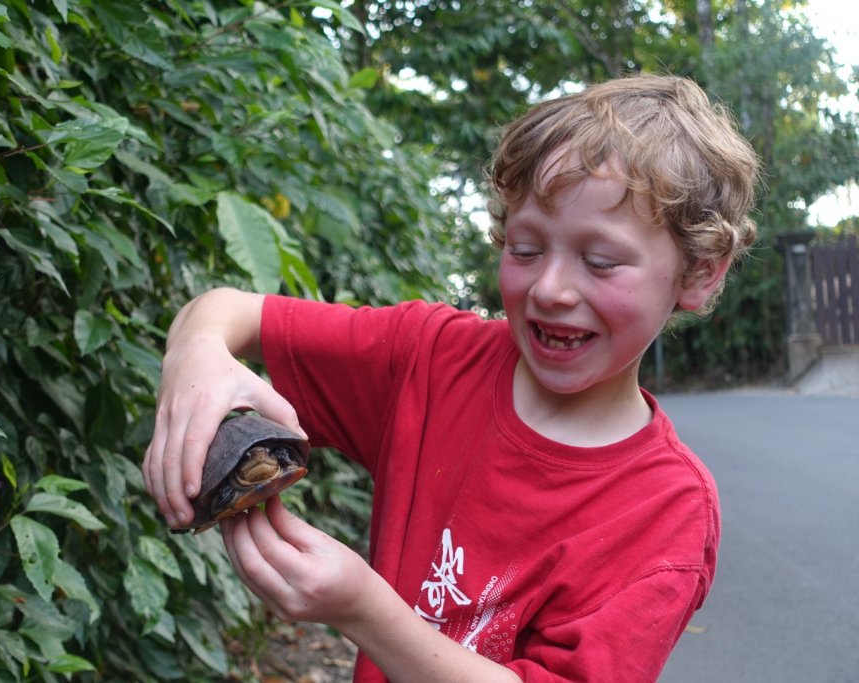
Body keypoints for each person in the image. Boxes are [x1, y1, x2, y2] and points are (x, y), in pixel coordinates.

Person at [142, 73, 758, 682]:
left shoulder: (667, 510)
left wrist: (364, 609)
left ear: (700, 273)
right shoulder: (433, 359)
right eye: (524, 248)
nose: (549, 288)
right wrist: (194, 358)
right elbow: (229, 311)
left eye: (600, 260)